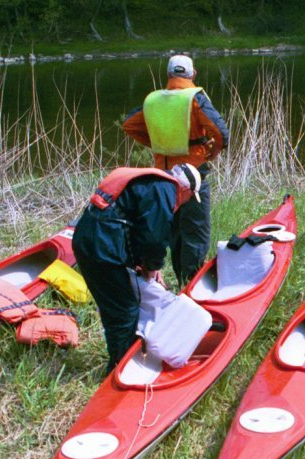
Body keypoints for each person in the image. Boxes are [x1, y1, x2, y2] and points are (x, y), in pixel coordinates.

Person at [72, 164, 201, 374]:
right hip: (102, 246)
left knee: (116, 305)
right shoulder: (166, 190)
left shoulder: (151, 182)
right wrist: (151, 266)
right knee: (124, 311)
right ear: (186, 190)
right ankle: (118, 372)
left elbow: (131, 223)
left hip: (86, 239)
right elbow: (154, 238)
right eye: (190, 198)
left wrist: (146, 263)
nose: (186, 203)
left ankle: (125, 359)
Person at [122, 54, 229, 286]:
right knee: (196, 232)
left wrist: (157, 144)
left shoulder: (154, 101)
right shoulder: (194, 98)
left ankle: (181, 280)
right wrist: (213, 151)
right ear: (193, 74)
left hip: (164, 176)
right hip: (193, 175)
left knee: (176, 233)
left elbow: (129, 124)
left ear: (169, 75)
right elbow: (221, 132)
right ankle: (191, 285)